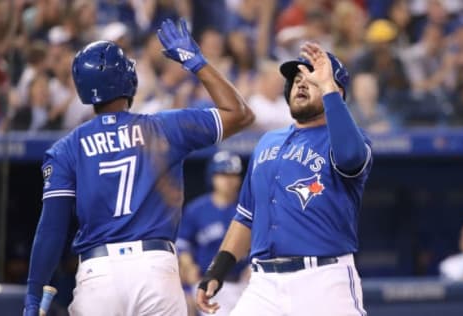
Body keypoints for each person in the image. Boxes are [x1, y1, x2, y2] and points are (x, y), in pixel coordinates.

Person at [23, 18, 254, 316]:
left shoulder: (66, 147)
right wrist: (194, 61)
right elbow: (241, 114)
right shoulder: (163, 127)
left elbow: (51, 229)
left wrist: (32, 294)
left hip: (98, 274)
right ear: (128, 80)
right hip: (154, 269)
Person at [196, 42, 373, 316]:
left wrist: (327, 88)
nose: (301, 84)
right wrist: (216, 271)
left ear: (335, 92)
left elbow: (351, 158)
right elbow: (246, 217)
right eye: (296, 79)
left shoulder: (350, 139)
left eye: (311, 80)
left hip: (323, 279)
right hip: (263, 283)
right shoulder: (268, 141)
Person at [177, 151, 250, 316]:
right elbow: (183, 245)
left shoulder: (247, 208)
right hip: (207, 286)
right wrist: (188, 265)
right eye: (223, 174)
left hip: (242, 283)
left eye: (233, 175)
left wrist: (254, 266)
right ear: (213, 177)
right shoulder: (196, 209)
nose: (228, 180)